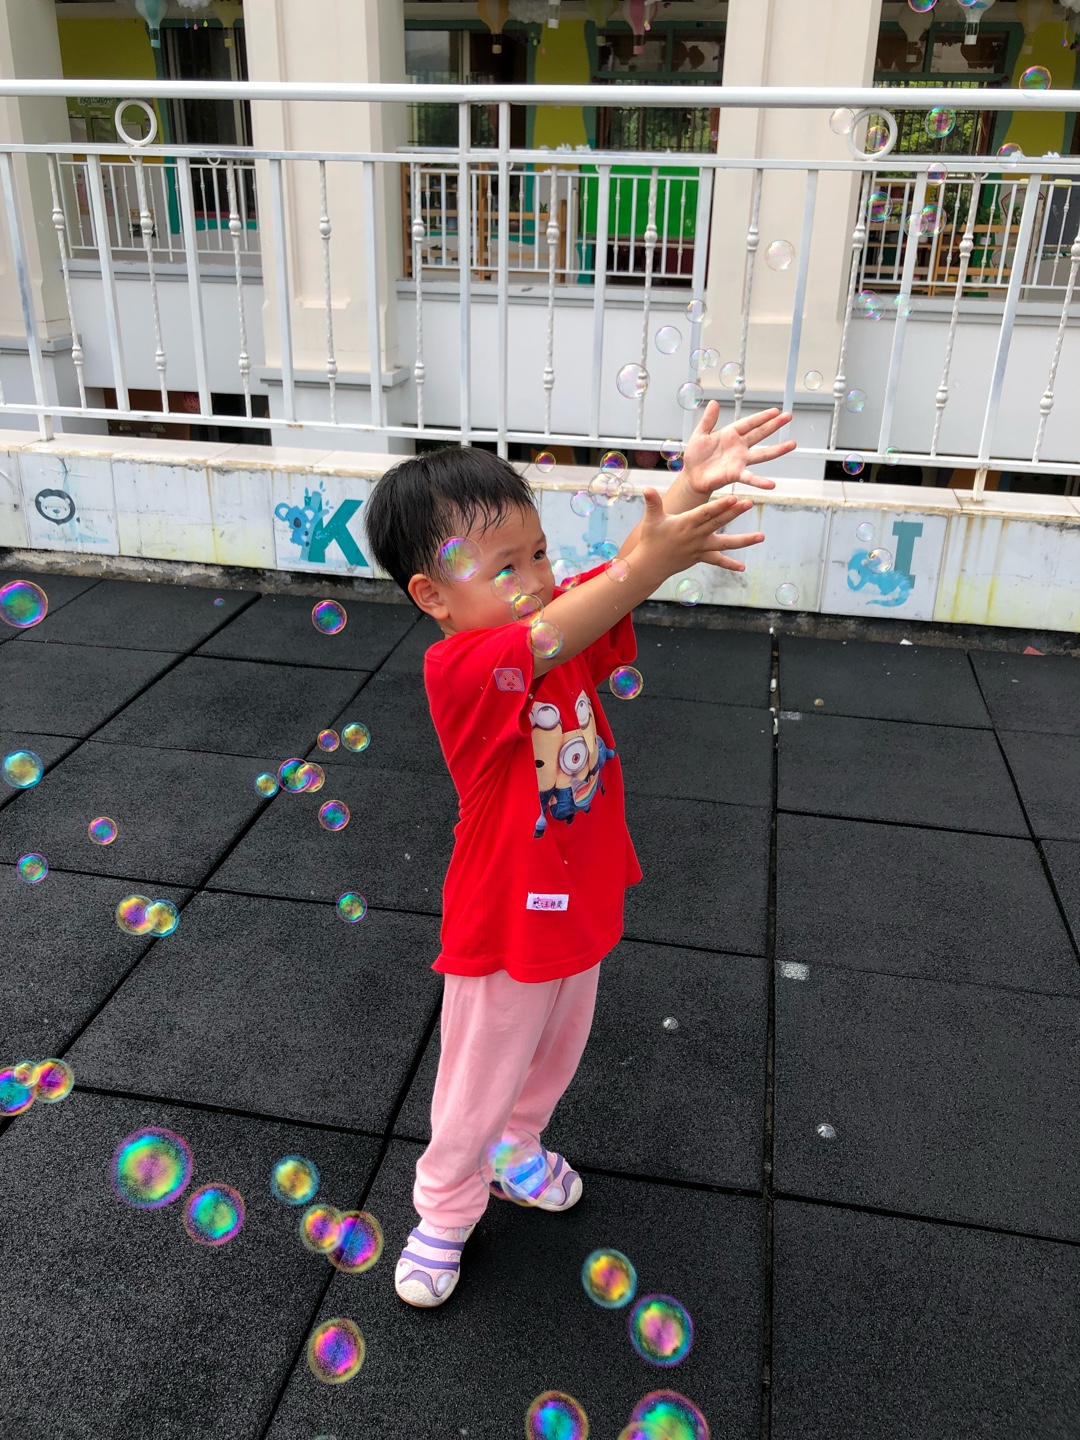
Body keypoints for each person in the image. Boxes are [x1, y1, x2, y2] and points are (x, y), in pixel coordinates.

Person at [362, 401, 795, 1307]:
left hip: (580, 892)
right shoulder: (465, 668)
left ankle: (517, 1146)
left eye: (539, 553)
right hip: (504, 917)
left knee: (556, 1048)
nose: (535, 579)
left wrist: (685, 489)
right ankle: (445, 1205)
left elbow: (604, 587)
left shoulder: (555, 623)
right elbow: (574, 615)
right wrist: (648, 563)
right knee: (479, 1075)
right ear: (433, 596)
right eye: (504, 567)